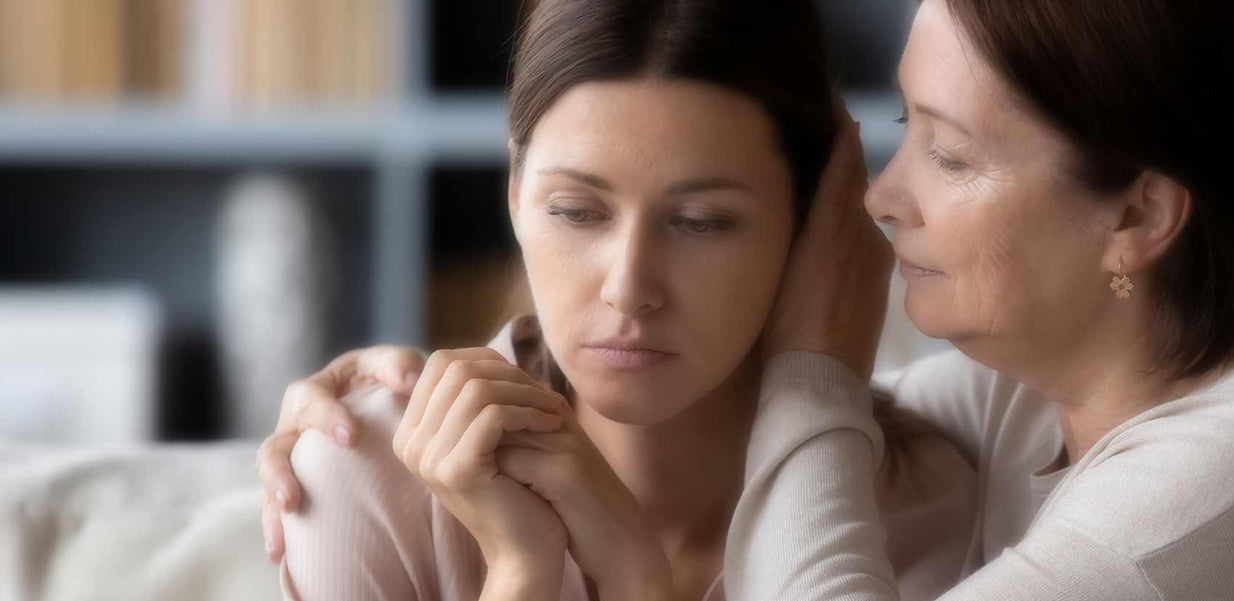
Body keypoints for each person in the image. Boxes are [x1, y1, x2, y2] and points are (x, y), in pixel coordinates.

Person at [723, 0, 1234, 599]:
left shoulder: (1228, 485)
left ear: (1138, 216)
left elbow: (807, 434)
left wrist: (812, 364)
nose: (882, 197)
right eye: (902, 123)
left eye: (949, 155)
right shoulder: (1047, 391)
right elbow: (747, 453)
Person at [258, 1, 973, 600]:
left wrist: (635, 582)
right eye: (576, 211)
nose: (628, 288)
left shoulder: (930, 516)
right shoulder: (362, 480)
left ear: (815, 221)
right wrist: (521, 570)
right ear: (516, 193)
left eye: (701, 222)